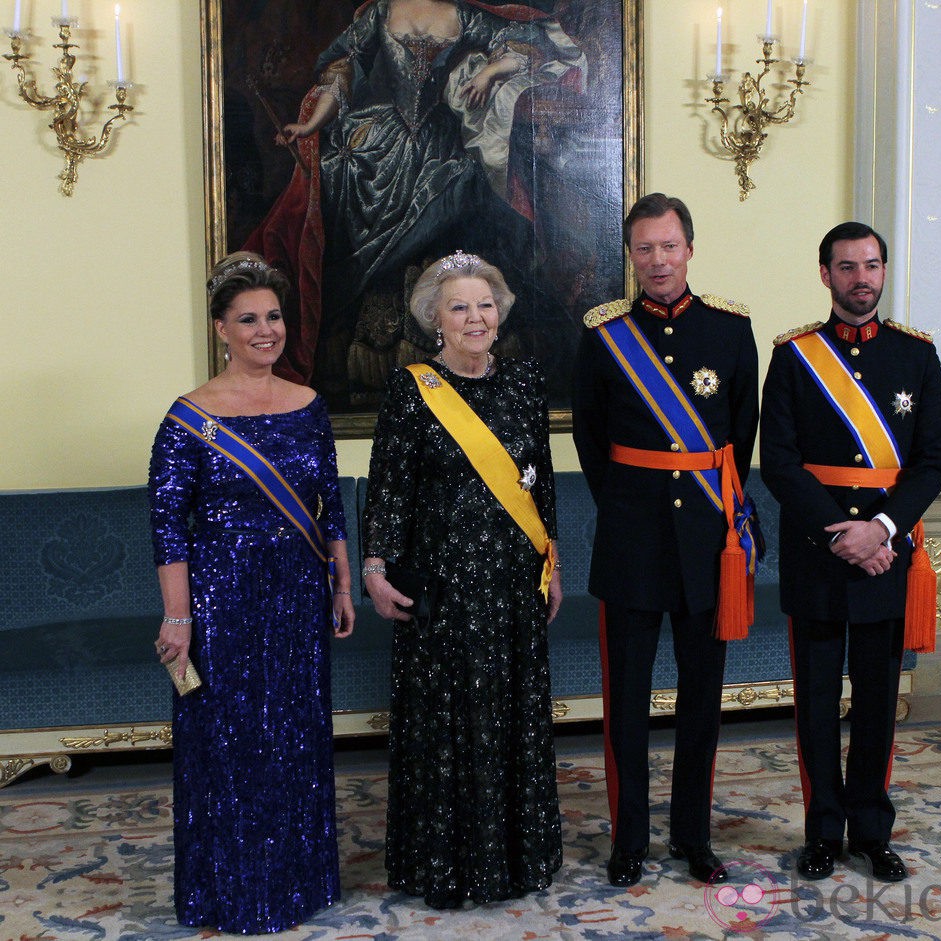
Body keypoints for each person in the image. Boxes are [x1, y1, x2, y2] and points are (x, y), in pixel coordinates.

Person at [149, 251, 355, 934]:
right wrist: (178, 615)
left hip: (297, 596)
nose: (266, 330)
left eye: (273, 316)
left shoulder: (308, 405)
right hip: (220, 601)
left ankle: (300, 881)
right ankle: (228, 890)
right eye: (249, 319)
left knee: (294, 735)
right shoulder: (187, 419)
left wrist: (341, 580)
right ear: (221, 329)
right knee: (230, 744)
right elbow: (167, 525)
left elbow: (331, 503)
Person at [250, 0, 587, 400]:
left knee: (462, 179)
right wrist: (308, 124)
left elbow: (524, 45)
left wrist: (490, 72)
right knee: (343, 169)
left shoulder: (464, 16)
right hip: (380, 135)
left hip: (440, 137)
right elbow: (338, 74)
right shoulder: (380, 13)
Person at [361, 250, 563, 908]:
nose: (475, 317)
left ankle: (513, 857)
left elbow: (543, 482)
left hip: (512, 584)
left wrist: (551, 562)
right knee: (445, 723)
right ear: (434, 320)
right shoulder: (411, 390)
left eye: (485, 305)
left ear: (499, 317)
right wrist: (374, 565)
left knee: (512, 716)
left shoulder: (527, 383)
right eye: (459, 306)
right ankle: (444, 863)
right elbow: (388, 489)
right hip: (442, 589)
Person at [572, 193, 759, 887]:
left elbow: (739, 435)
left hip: (708, 543)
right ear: (630, 255)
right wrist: (626, 508)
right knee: (626, 700)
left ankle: (692, 835)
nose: (657, 260)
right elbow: (592, 439)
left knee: (702, 700)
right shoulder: (603, 334)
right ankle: (629, 840)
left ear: (689, 248)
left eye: (669, 245)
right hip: (631, 542)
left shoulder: (730, 330)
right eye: (644, 248)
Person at [760, 222, 941, 882]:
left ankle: (871, 828)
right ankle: (822, 830)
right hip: (820, 552)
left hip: (886, 554)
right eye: (847, 267)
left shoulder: (917, 356)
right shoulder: (793, 356)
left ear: (884, 270)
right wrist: (842, 532)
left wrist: (884, 528)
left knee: (876, 701)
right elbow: (780, 462)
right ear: (825, 274)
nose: (861, 277)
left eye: (871, 265)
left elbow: (935, 459)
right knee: (815, 701)